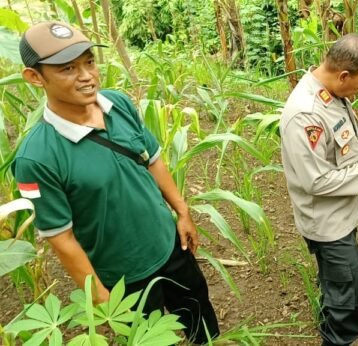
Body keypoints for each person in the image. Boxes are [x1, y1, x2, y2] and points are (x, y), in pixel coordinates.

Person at [12, 22, 219, 343]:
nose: (87, 76)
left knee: (201, 326)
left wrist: (182, 211)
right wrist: (100, 296)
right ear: (35, 77)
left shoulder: (117, 104)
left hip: (170, 246)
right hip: (122, 276)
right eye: (67, 68)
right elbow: (60, 237)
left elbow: (153, 159)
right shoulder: (37, 157)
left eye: (89, 62)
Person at [279, 34, 358, 346]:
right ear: (344, 75)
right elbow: (315, 181)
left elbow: (351, 145)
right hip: (327, 225)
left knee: (338, 290)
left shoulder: (332, 95)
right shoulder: (306, 114)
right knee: (349, 300)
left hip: (342, 215)